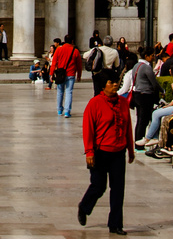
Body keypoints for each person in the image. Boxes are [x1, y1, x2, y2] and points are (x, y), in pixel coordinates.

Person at [77, 71, 132, 236]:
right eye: (111, 82)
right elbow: (88, 130)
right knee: (98, 186)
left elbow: (127, 126)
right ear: (103, 85)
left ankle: (115, 224)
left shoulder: (123, 103)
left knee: (118, 189)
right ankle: (84, 206)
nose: (115, 85)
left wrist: (130, 148)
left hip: (118, 151)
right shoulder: (95, 103)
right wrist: (89, 152)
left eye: (116, 82)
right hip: (100, 152)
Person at [125, 46, 161, 146]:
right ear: (146, 56)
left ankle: (137, 142)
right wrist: (161, 91)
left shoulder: (136, 66)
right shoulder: (146, 67)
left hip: (137, 95)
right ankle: (140, 143)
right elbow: (154, 83)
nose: (153, 57)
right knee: (143, 121)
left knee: (140, 120)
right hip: (145, 96)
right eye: (152, 56)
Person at [51, 35, 82, 118]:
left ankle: (59, 110)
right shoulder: (75, 51)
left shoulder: (59, 49)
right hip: (70, 74)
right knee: (69, 92)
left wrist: (51, 74)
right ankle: (67, 112)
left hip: (60, 74)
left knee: (60, 92)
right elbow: (79, 64)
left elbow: (54, 62)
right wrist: (79, 75)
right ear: (72, 41)